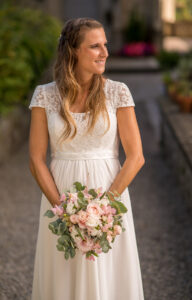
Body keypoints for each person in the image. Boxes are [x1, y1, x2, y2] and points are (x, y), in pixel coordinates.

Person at [28, 17, 145, 300]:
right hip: (61, 197)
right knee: (63, 272)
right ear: (73, 52)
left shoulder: (117, 92)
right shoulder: (45, 96)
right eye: (95, 46)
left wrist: (104, 210)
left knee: (109, 273)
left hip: (110, 195)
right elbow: (35, 159)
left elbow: (136, 157)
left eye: (105, 45)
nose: (105, 52)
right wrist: (64, 212)